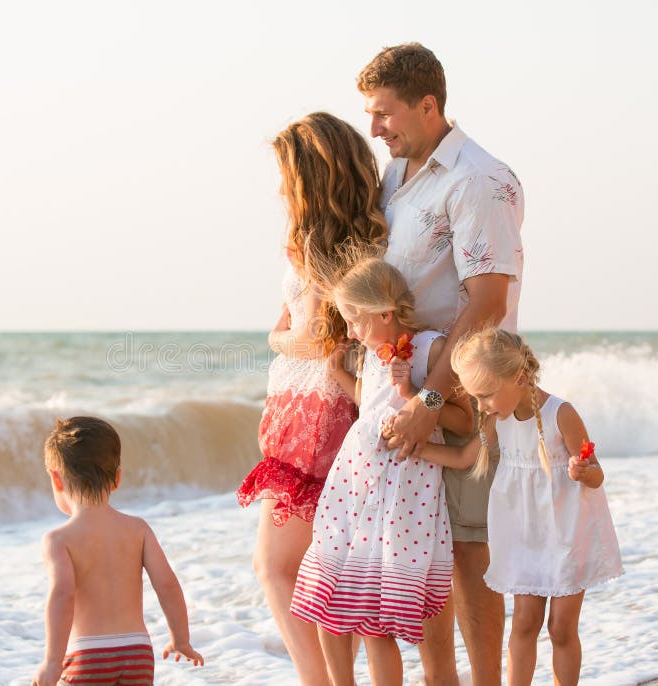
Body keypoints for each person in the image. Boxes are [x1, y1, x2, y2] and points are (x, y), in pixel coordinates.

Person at [357, 43, 525, 684]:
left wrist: (431, 400)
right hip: (407, 389)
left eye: (384, 114)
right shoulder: (393, 179)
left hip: (466, 397)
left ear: (428, 105)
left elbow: (487, 302)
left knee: (471, 557)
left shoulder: (480, 179)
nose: (375, 129)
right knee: (422, 556)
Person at [236, 112, 387, 685]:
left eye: (286, 177)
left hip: (320, 407)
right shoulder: (320, 244)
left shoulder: (341, 253)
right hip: (307, 402)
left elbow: (321, 337)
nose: (279, 189)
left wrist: (290, 339)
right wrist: (290, 339)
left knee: (275, 566)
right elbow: (285, 331)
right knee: (314, 569)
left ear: (311, 178)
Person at [290, 256, 474, 686]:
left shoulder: (432, 349)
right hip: (352, 487)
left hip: (400, 497)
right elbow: (372, 405)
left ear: (386, 313)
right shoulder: (372, 356)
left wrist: (414, 394)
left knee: (373, 623)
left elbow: (464, 422)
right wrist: (338, 374)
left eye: (355, 319)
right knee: (326, 598)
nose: (351, 331)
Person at [411, 328, 623, 685]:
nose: (481, 406)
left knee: (560, 628)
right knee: (524, 621)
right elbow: (465, 457)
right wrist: (418, 448)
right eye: (477, 398)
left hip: (567, 533)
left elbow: (597, 475)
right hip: (526, 534)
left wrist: (583, 471)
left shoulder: (562, 414)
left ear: (519, 377)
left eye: (486, 395)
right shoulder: (498, 418)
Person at [31, 416, 203, 686]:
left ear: (56, 480)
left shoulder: (59, 540)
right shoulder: (138, 529)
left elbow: (62, 596)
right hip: (137, 653)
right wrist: (180, 639)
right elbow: (167, 585)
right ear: (118, 478)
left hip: (87, 655)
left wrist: (52, 663)